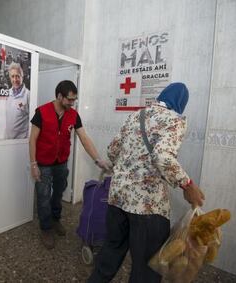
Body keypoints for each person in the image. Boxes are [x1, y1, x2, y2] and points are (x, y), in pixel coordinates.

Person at [88, 82, 205, 283]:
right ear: (180, 103)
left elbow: (112, 151)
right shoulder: (175, 120)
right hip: (147, 207)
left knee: (112, 248)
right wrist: (188, 184)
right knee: (146, 267)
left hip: (118, 198)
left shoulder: (135, 115)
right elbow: (162, 156)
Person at [29, 80, 110, 249]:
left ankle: (55, 219)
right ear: (59, 96)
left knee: (58, 193)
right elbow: (32, 140)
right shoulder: (41, 112)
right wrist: (33, 164)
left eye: (74, 99)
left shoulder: (73, 115)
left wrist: (98, 159)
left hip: (61, 162)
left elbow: (84, 138)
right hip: (43, 162)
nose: (72, 103)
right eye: (69, 99)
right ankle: (45, 228)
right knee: (43, 196)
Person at [5, 63, 30, 139]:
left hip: (21, 142)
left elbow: (32, 122)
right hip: (7, 140)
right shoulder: (7, 93)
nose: (15, 80)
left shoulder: (28, 95)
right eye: (12, 76)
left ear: (22, 77)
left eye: (17, 76)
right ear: (10, 78)